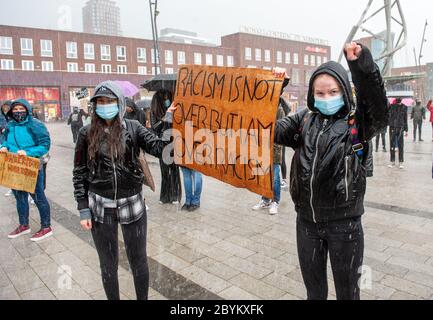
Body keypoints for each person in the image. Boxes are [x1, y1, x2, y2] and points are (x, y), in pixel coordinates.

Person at [274, 42, 388, 300]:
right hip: (306, 223)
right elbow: (268, 127)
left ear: (344, 91)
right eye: (320, 94)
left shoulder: (356, 122)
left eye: (333, 92)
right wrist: (273, 89)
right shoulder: (303, 119)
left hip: (344, 226)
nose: (326, 99)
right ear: (312, 95)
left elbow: (378, 108)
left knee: (348, 293)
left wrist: (361, 66)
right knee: (314, 293)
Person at [73, 81, 176, 300]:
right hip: (101, 206)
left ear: (118, 102)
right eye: (100, 102)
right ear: (94, 106)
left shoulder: (133, 128)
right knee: (108, 263)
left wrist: (168, 122)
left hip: (132, 203)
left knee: (138, 259)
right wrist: (83, 208)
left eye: (109, 101)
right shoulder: (85, 132)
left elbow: (160, 150)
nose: (104, 105)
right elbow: (79, 172)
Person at [0, 99, 53, 242]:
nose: (18, 112)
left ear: (27, 109)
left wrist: (28, 152)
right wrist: (3, 146)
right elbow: (4, 140)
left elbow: (45, 145)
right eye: (15, 109)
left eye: (21, 109)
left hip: (32, 166)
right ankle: (24, 225)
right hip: (14, 166)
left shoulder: (36, 124)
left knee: (38, 197)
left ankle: (46, 227)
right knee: (20, 197)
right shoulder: (10, 125)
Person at [252, 104, 285, 215]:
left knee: (275, 177)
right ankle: (265, 200)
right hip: (262, 148)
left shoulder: (279, 110)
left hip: (274, 149)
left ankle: (275, 201)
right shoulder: (263, 106)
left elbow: (281, 130)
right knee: (264, 176)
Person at [150, 89, 181, 204]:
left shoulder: (174, 107)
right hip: (162, 143)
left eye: (168, 96)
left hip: (174, 141)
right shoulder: (155, 111)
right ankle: (164, 196)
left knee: (174, 170)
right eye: (164, 97)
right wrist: (165, 117)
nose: (167, 99)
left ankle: (175, 195)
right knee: (164, 171)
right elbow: (154, 127)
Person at [388, 98, 408, 169]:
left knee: (400, 145)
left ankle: (400, 162)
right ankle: (392, 161)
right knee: (392, 145)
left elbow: (405, 119)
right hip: (392, 127)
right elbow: (388, 115)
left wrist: (406, 129)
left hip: (400, 128)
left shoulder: (404, 107)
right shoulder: (391, 107)